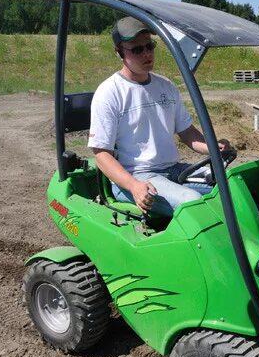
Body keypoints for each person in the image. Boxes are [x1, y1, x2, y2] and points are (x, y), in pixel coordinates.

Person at [88, 16, 230, 216]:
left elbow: (187, 131)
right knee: (193, 202)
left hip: (173, 169)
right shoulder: (109, 92)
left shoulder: (166, 86)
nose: (146, 53)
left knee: (230, 185)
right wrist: (134, 185)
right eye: (137, 49)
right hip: (137, 176)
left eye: (150, 46)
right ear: (119, 52)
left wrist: (212, 148)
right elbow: (101, 155)